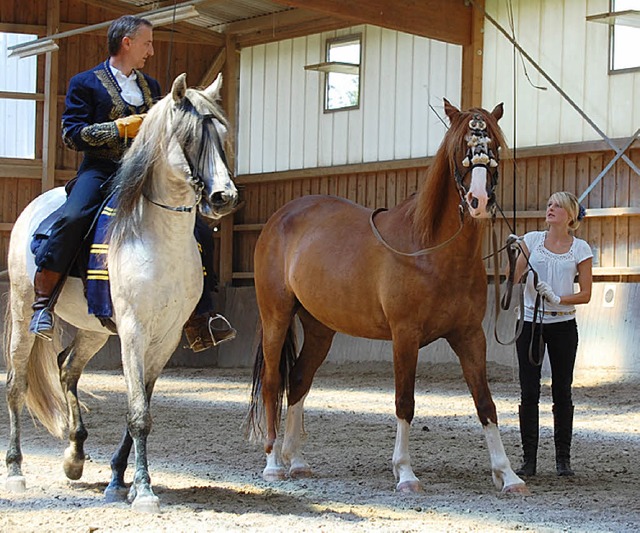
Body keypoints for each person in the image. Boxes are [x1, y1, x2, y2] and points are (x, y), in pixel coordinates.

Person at [29, 15, 234, 350]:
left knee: (197, 227)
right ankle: (43, 303)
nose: (151, 51)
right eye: (147, 43)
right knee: (74, 217)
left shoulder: (151, 87)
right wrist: (119, 128)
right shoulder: (86, 83)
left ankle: (202, 316)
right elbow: (71, 134)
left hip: (144, 173)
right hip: (102, 170)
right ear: (127, 42)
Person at [511, 191, 592, 477]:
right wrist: (518, 254)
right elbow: (516, 279)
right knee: (529, 391)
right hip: (531, 324)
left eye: (557, 206)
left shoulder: (580, 248)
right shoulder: (532, 240)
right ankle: (529, 459)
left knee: (562, 390)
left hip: (563, 326)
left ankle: (563, 460)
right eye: (548, 205)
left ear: (570, 215)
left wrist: (559, 298)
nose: (550, 209)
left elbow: (585, 294)